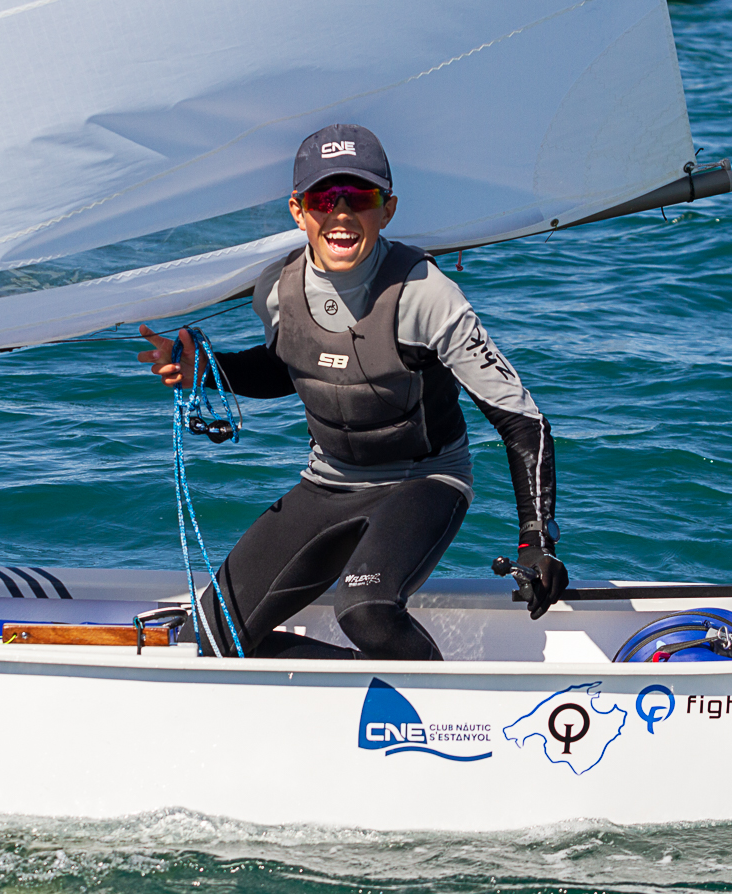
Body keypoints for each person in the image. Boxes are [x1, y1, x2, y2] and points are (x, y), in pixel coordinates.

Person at [138, 123, 567, 660]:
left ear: (387, 209)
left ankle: (443, 715)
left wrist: (536, 542)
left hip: (424, 479)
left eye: (359, 197)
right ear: (298, 210)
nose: (340, 214)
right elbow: (291, 369)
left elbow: (523, 421)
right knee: (215, 632)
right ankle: (355, 704)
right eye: (324, 197)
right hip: (327, 483)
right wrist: (210, 367)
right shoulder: (275, 290)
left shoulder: (425, 294)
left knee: (364, 609)